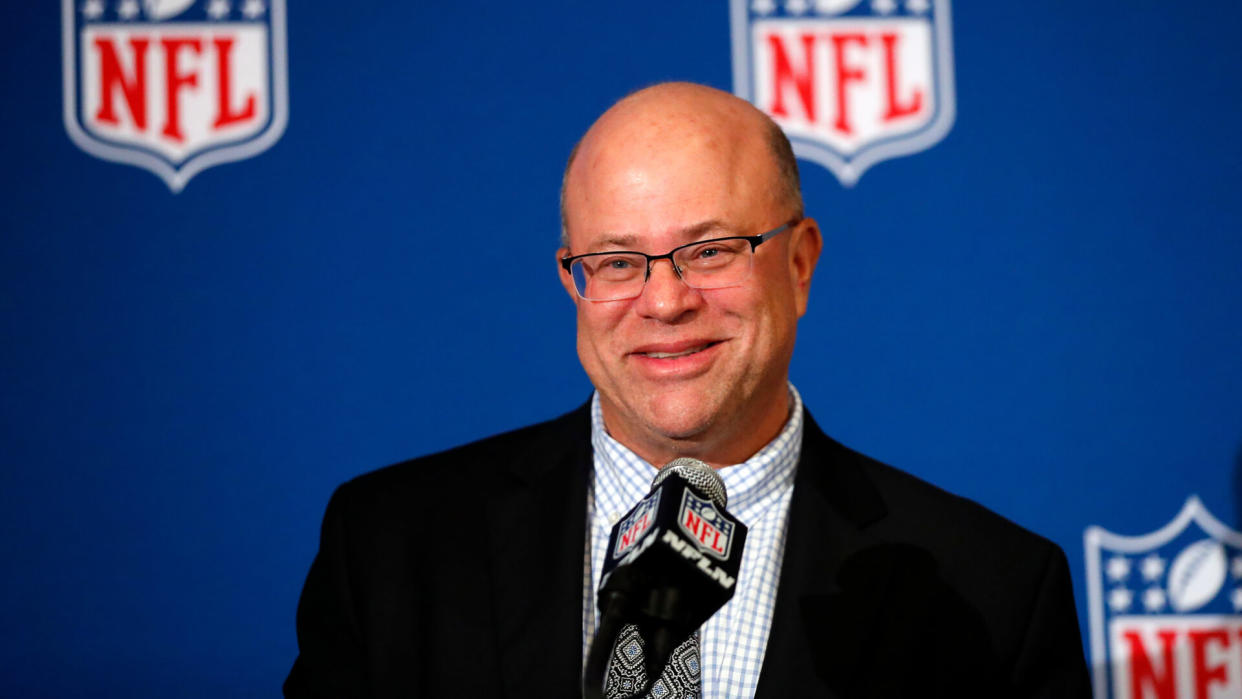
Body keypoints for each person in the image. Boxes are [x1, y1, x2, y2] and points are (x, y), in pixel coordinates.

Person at [284, 82, 1091, 698]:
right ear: (573, 280)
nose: (664, 301)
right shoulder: (389, 546)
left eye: (710, 251)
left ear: (800, 263)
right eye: (616, 261)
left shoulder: (994, 590)